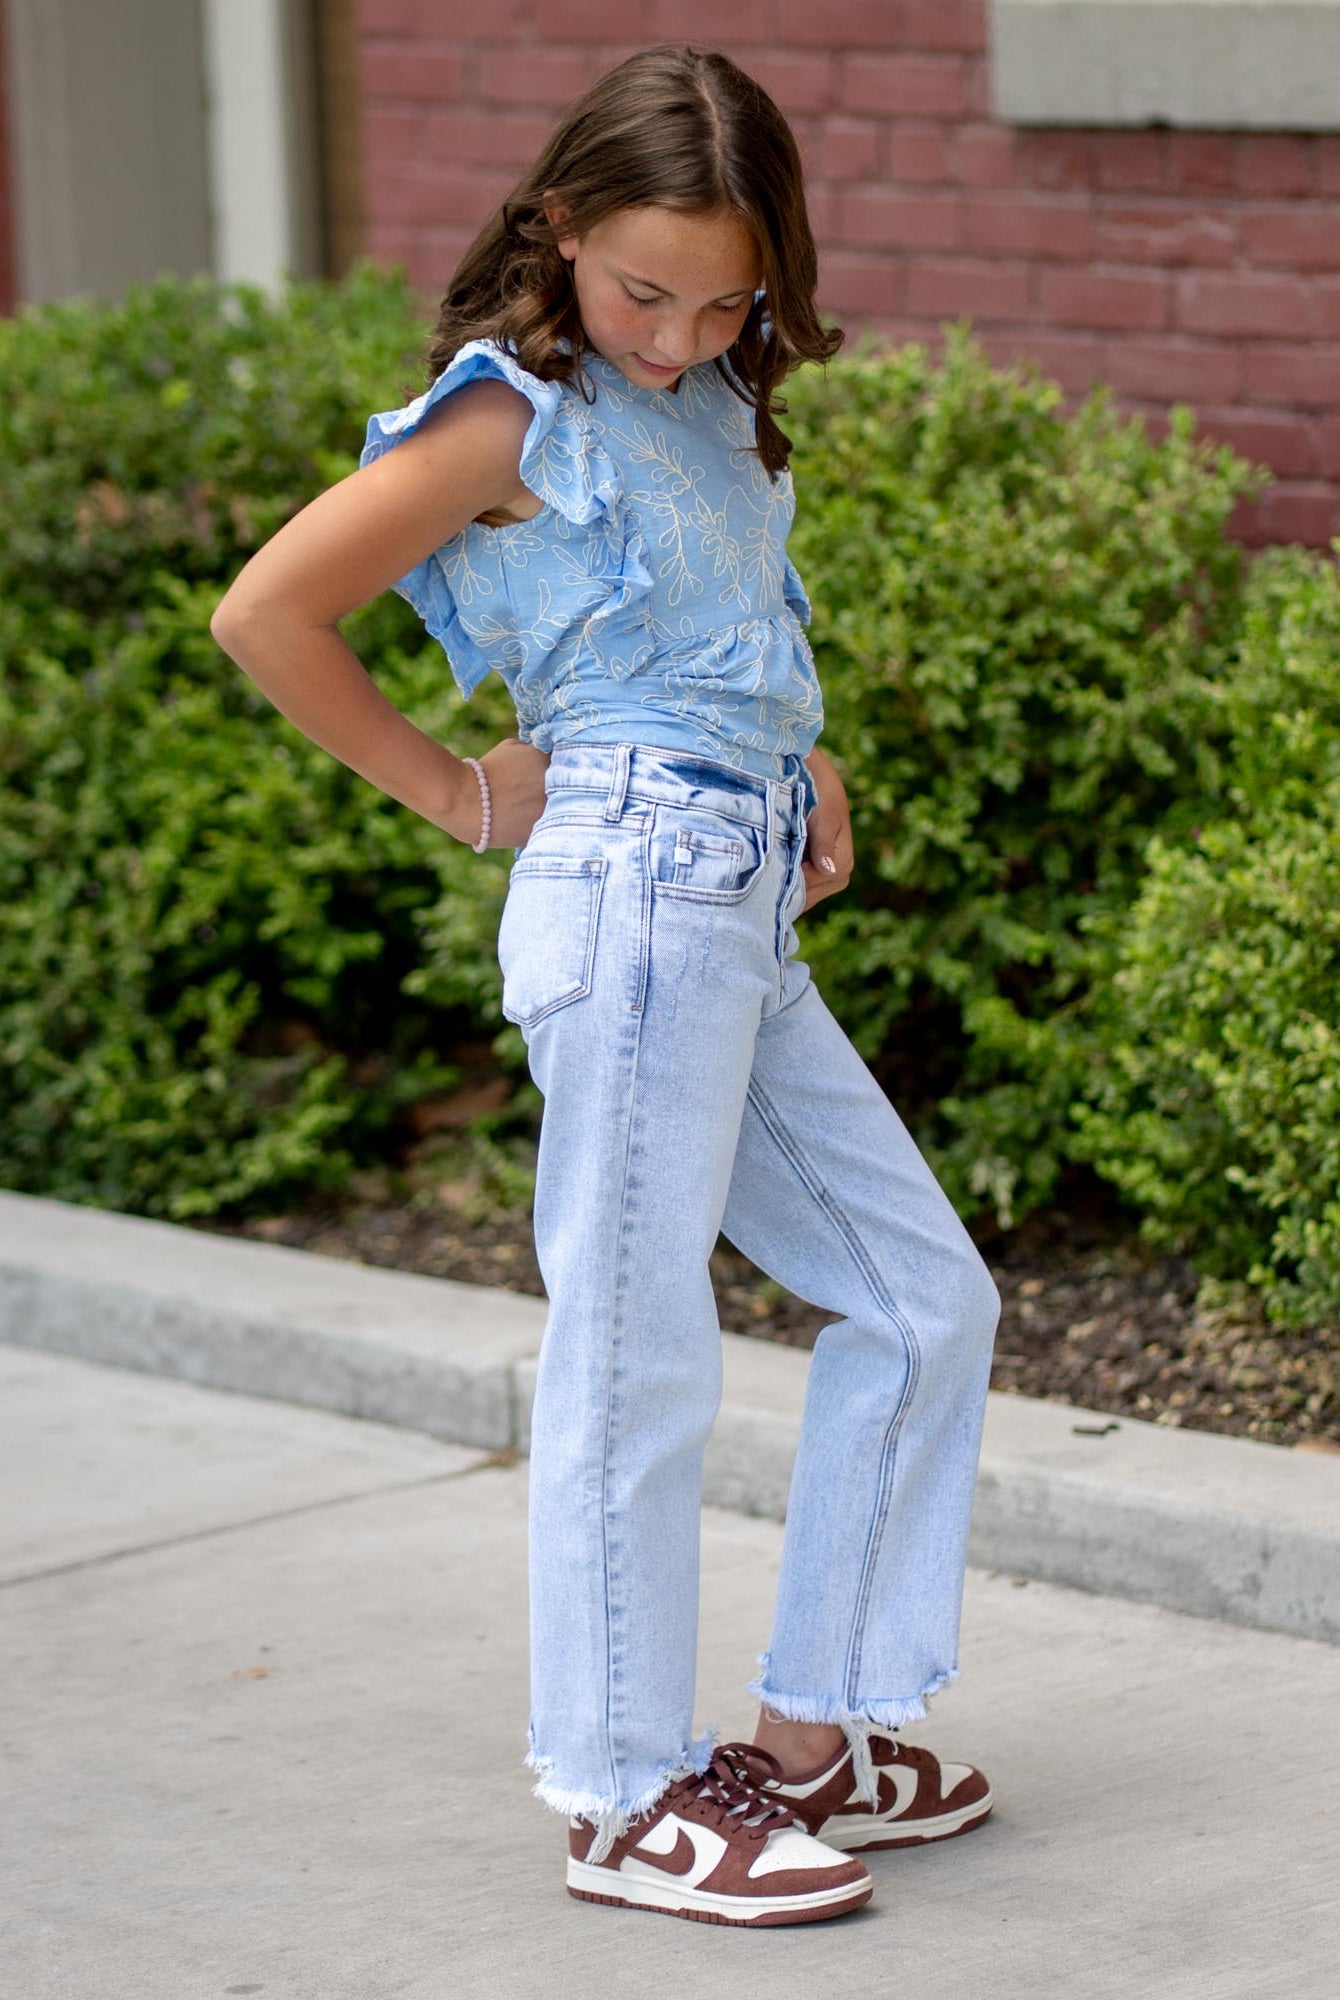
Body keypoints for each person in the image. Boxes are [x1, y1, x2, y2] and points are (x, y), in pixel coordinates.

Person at [212, 42, 1002, 1930]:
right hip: (632, 892)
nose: (677, 338)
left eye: (726, 302)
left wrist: (796, 749)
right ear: (560, 227)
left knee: (923, 1301)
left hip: (735, 895)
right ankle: (626, 1790)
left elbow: (709, 623)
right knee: (636, 1352)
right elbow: (267, 611)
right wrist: (463, 791)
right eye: (646, 291)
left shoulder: (715, 394)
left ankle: (811, 1737)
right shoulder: (509, 422)